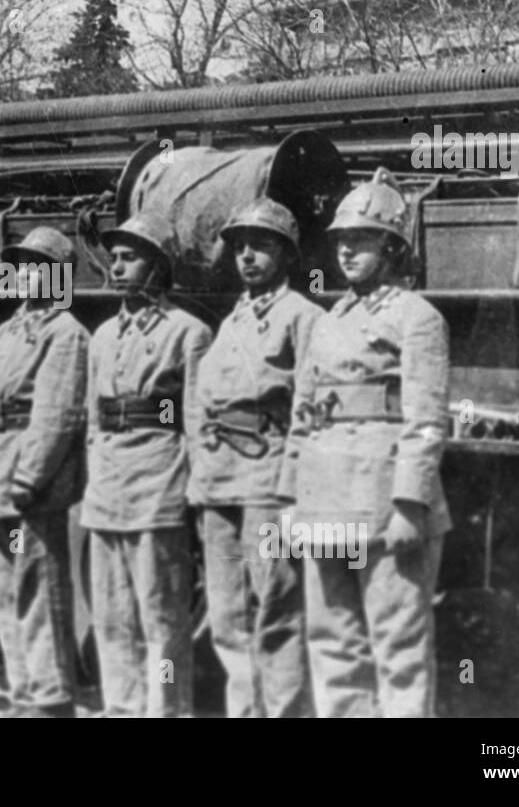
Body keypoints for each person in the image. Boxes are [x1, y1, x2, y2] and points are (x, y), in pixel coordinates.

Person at [282, 169, 451, 718]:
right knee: (333, 640)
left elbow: (426, 418)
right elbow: (302, 416)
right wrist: (291, 500)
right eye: (340, 240)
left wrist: (410, 505)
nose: (347, 250)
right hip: (326, 495)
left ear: (392, 245)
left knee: (398, 645)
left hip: (384, 499)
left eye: (361, 239)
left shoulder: (417, 318)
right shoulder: (328, 321)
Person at [189, 198, 320, 718]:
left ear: (287, 255)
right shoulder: (230, 321)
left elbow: (311, 409)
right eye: (240, 247)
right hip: (220, 480)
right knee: (227, 616)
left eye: (261, 246)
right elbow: (203, 400)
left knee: (278, 611)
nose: (246, 257)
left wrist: (294, 489)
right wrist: (201, 468)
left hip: (270, 481)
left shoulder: (304, 318)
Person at [0, 227, 88, 718]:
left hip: (32, 485)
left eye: (37, 265)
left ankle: (51, 695)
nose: (26, 274)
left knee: (40, 584)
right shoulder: (6, 330)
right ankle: (22, 688)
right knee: (7, 588)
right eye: (20, 265)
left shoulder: (65, 333)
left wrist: (30, 477)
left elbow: (58, 411)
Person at [82, 212, 211, 717]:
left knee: (162, 616)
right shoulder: (102, 336)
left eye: (130, 257)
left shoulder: (189, 333)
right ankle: (121, 706)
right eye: (113, 257)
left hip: (159, 478)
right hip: (108, 481)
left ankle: (165, 710)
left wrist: (195, 489)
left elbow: (196, 419)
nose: (116, 266)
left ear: (157, 265)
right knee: (112, 612)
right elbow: (93, 416)